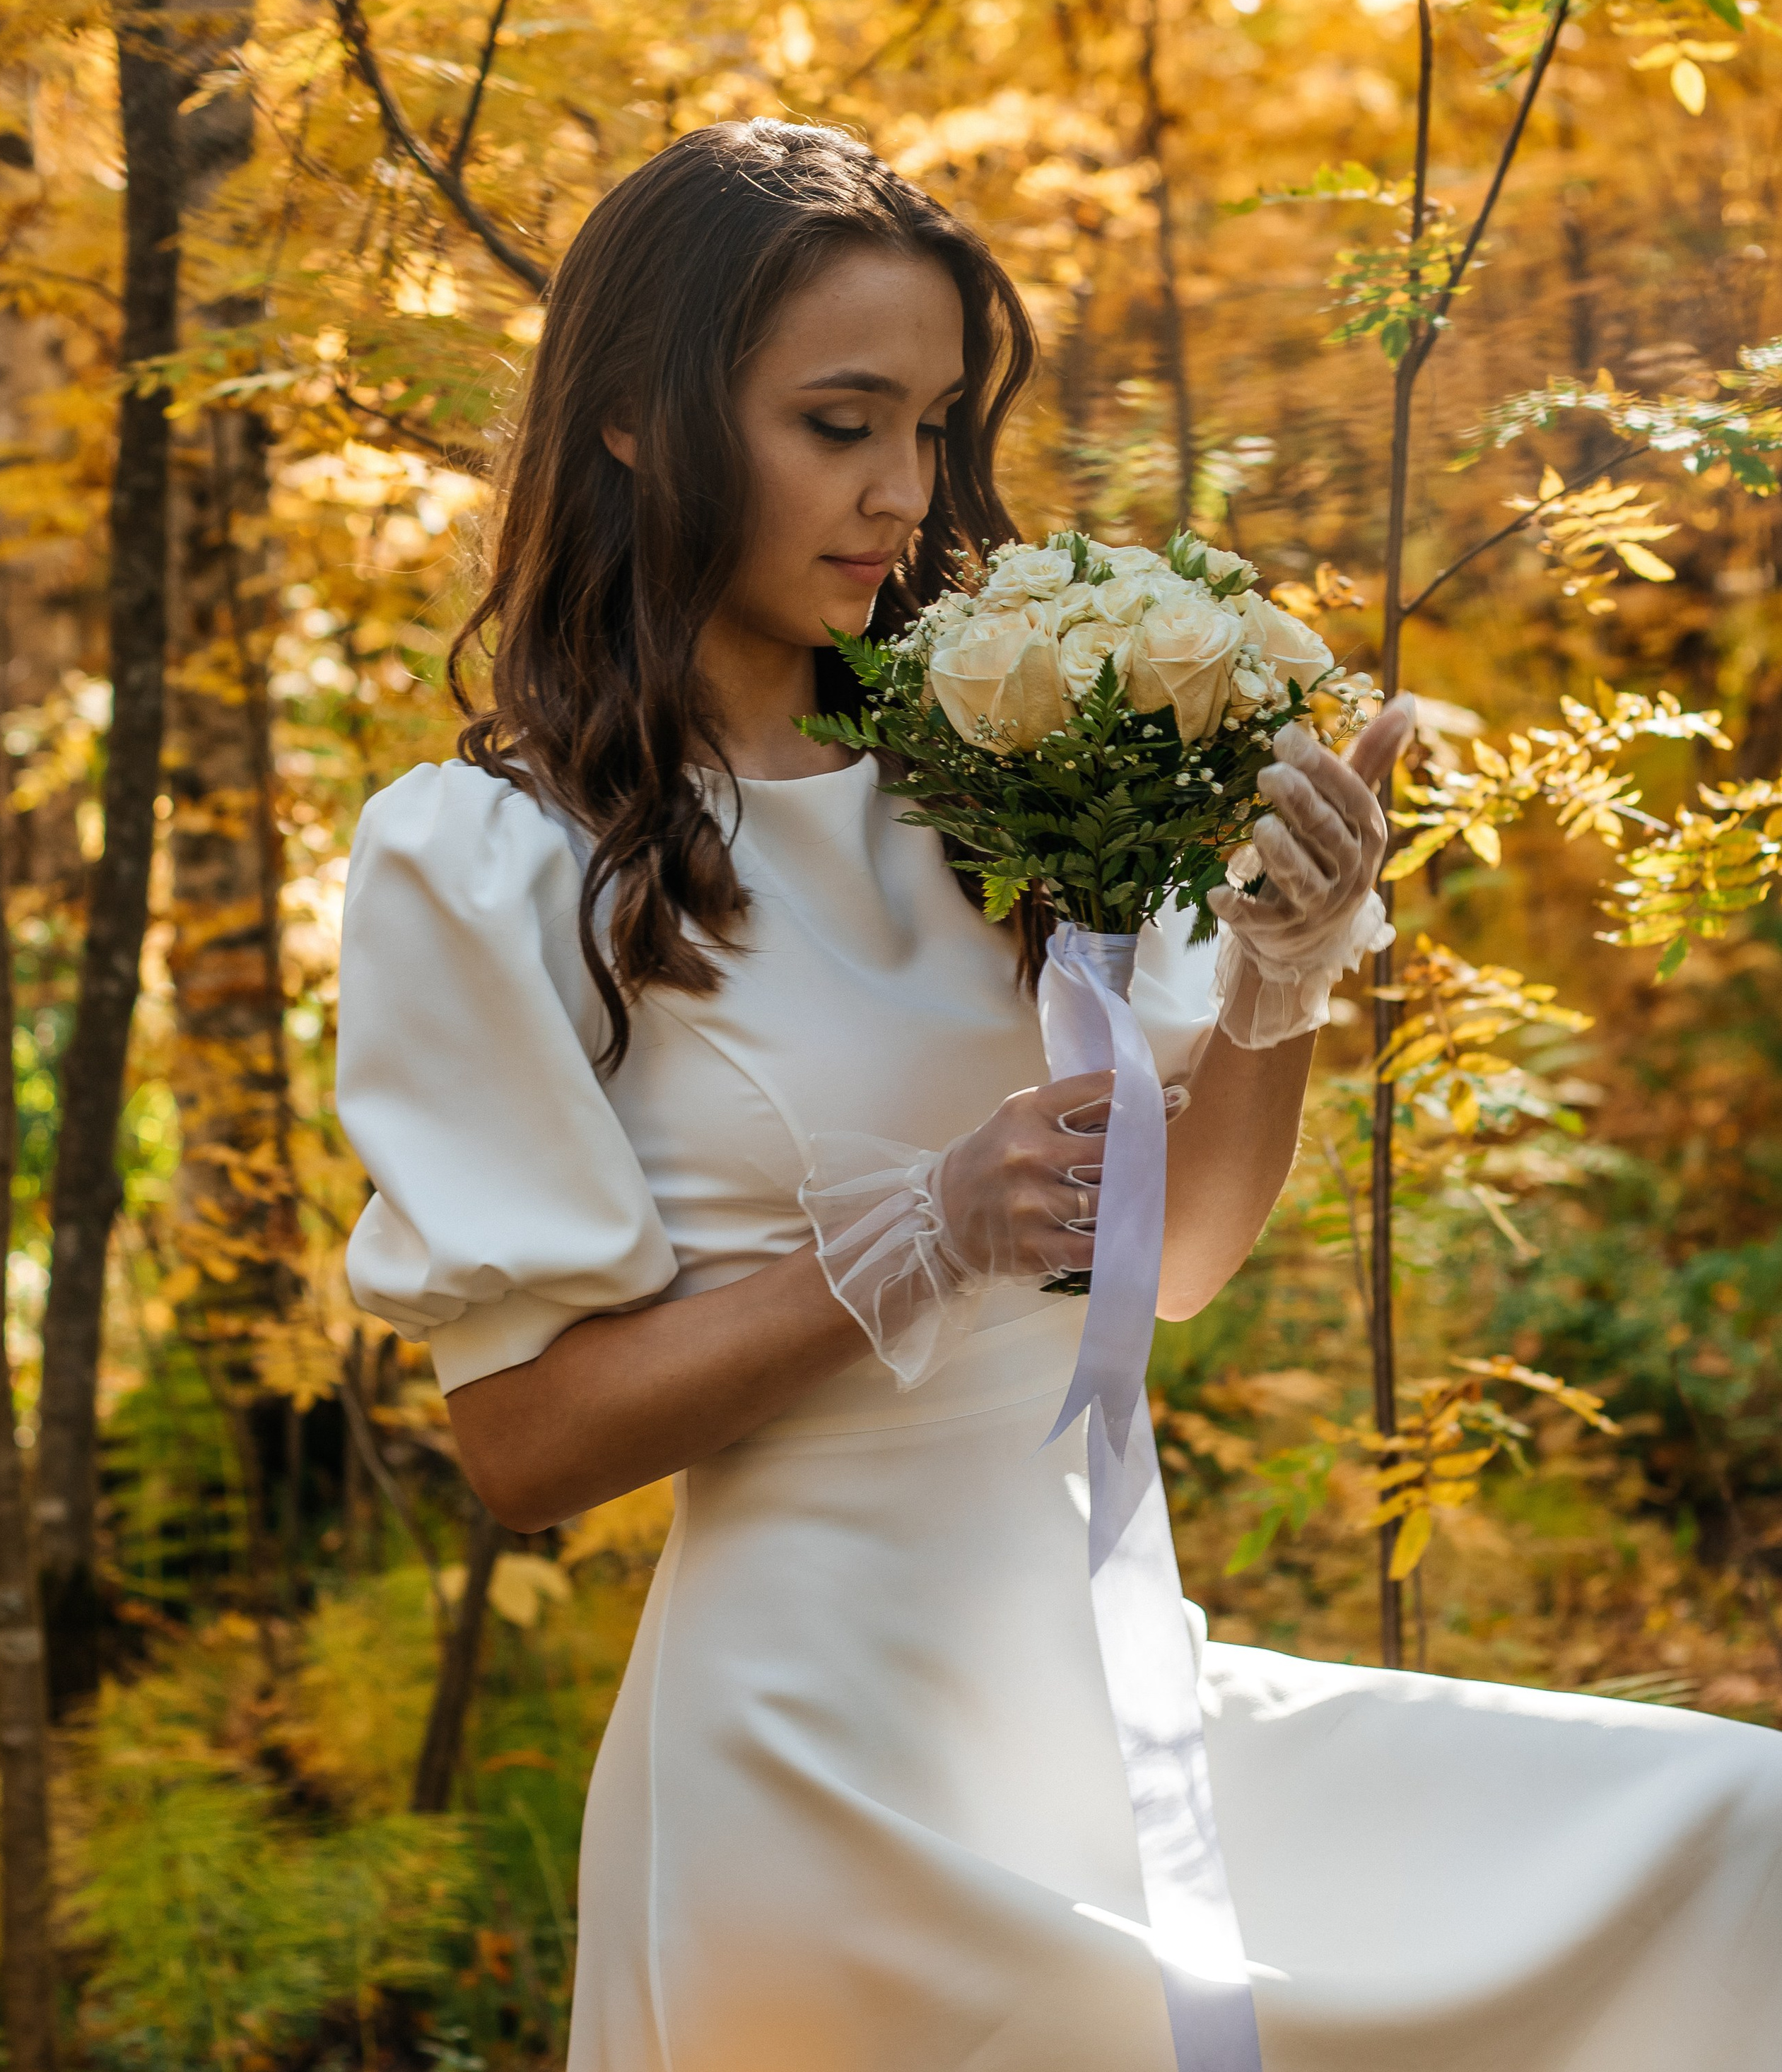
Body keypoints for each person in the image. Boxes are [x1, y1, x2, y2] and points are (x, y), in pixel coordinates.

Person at [338, 120, 1782, 2072]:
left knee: (1725, 1839)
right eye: (838, 422)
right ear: (629, 421)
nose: (897, 494)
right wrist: (918, 1234)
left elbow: (1168, 1264)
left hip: (1104, 1696)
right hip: (813, 1772)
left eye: (930, 427)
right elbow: (521, 1443)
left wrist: (1278, 967)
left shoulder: (1000, 774)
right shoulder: (489, 860)